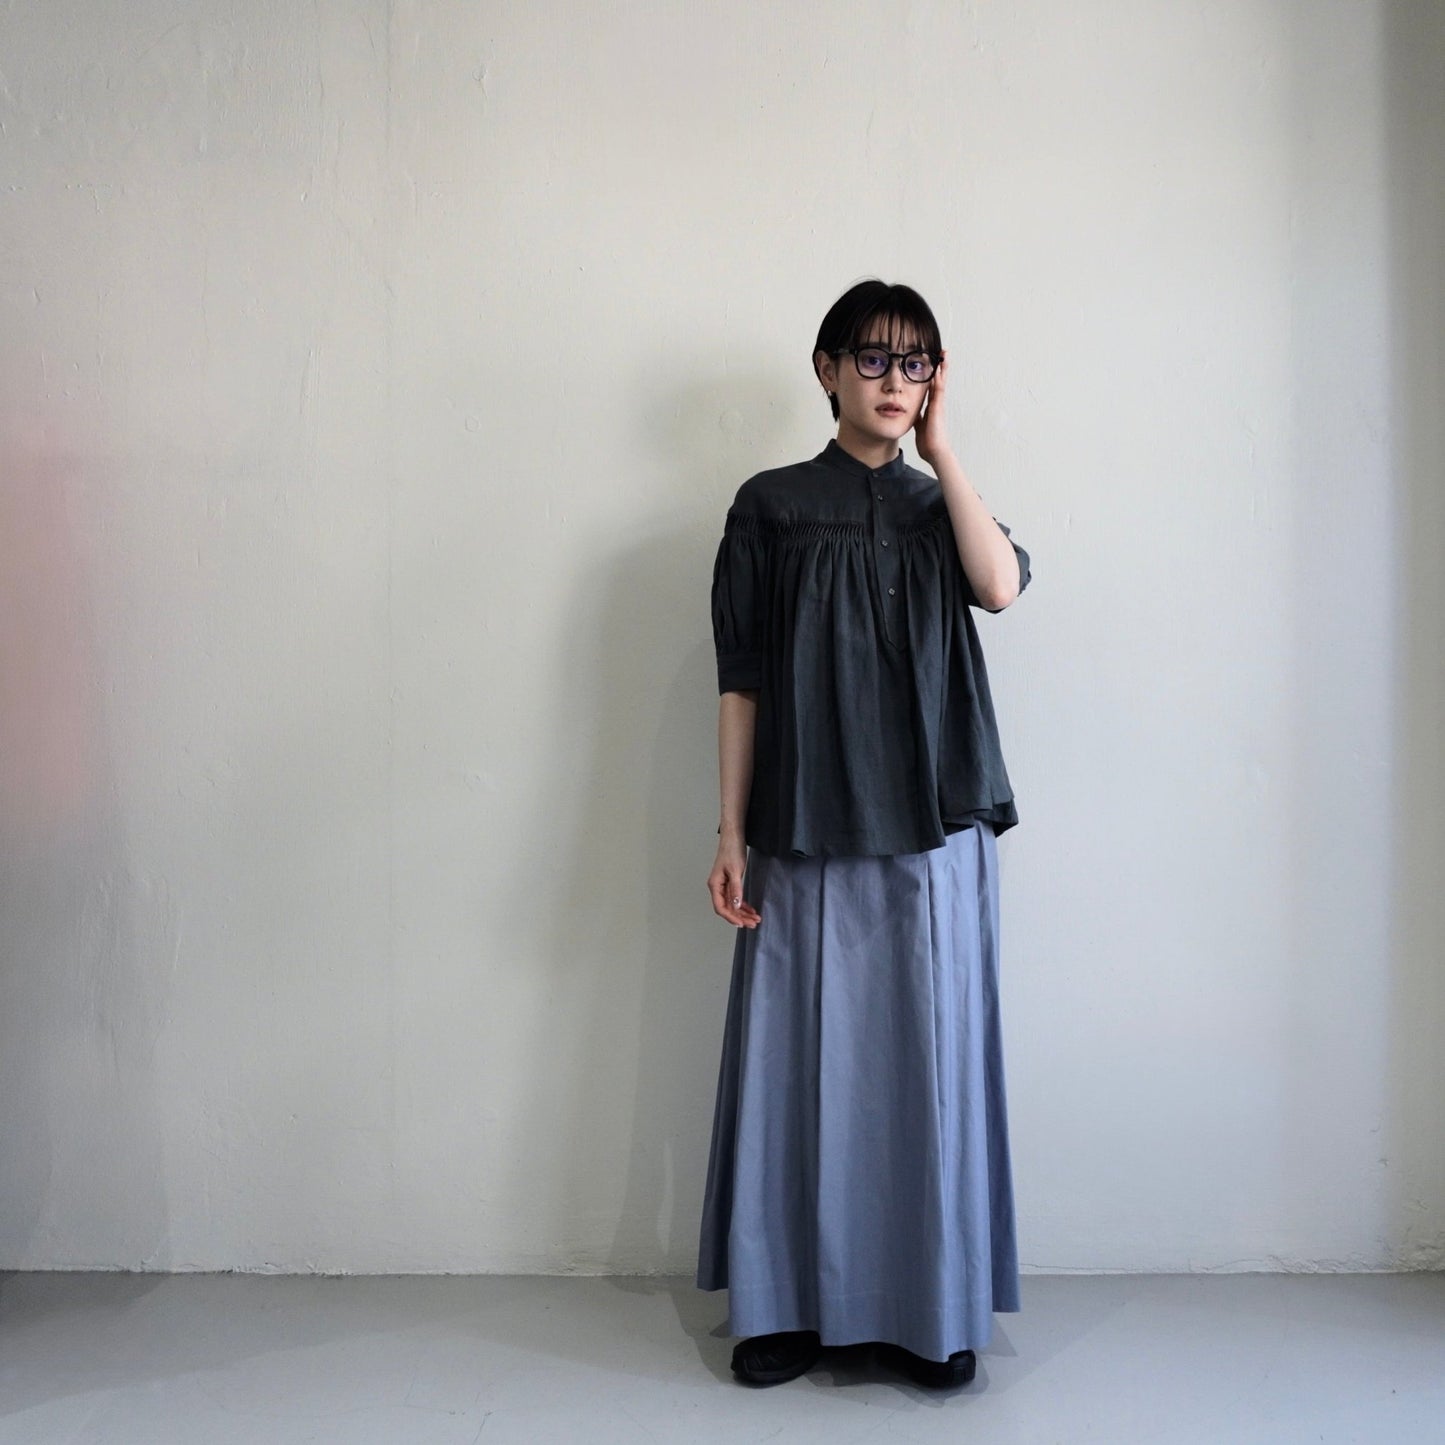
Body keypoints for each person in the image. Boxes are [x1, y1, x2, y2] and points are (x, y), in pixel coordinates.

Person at [695, 279, 1031, 1390]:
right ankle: (785, 1307)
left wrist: (944, 449)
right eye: (874, 359)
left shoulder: (944, 508)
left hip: (933, 830)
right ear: (827, 368)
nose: (895, 380)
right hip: (802, 824)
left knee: (925, 1066)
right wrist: (730, 829)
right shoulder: (771, 505)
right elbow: (741, 680)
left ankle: (926, 1312)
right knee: (795, 1063)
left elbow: (998, 587)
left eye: (916, 362)